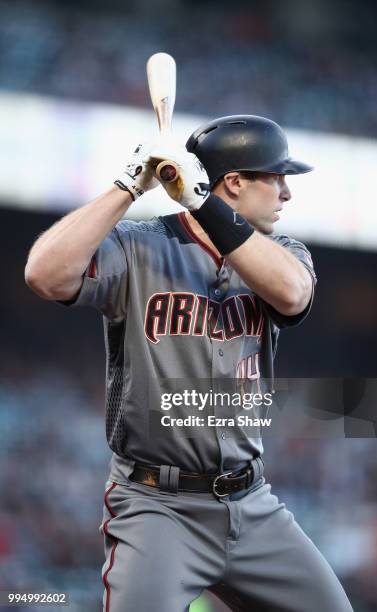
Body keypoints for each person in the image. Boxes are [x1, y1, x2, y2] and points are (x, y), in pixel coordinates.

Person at [25, 115, 353, 611]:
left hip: (251, 504)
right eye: (275, 177)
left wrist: (201, 201)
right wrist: (128, 185)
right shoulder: (138, 244)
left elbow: (291, 294)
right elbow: (44, 275)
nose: (286, 192)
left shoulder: (283, 252)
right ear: (236, 183)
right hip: (158, 507)